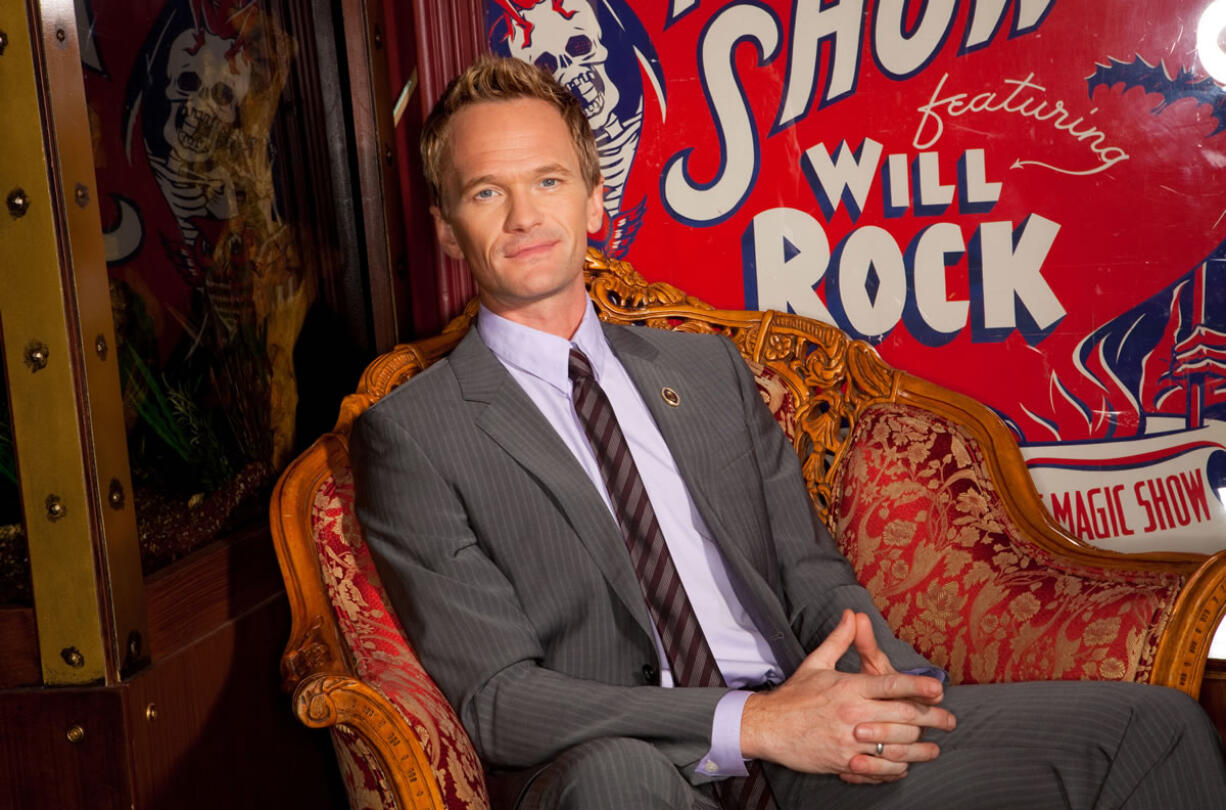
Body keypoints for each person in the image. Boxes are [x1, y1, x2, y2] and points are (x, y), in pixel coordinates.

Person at [350, 55, 1226, 809]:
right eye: (485, 192)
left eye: (547, 181)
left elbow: (811, 574)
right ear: (446, 231)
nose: (524, 216)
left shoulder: (705, 371)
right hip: (628, 763)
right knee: (615, 785)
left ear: (593, 200)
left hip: (812, 727)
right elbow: (502, 701)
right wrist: (753, 725)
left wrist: (898, 693)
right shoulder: (413, 434)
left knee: (1154, 733)